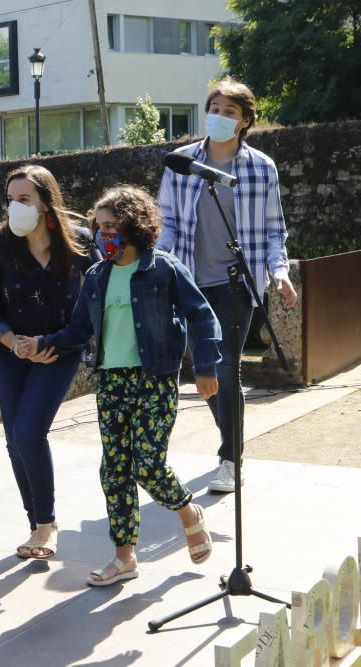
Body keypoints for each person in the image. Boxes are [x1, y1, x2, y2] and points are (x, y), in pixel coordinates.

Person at [27, 185, 220, 585]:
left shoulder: (163, 268)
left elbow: (202, 316)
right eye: (98, 227)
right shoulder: (97, 276)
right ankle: (124, 557)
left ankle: (187, 512)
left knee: (147, 464)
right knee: (114, 469)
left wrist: (206, 367)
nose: (102, 235)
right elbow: (79, 329)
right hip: (112, 382)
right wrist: (43, 345)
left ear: (134, 226)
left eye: (111, 226)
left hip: (155, 379)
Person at [157, 79, 297, 493]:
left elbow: (275, 231)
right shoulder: (180, 162)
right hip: (187, 281)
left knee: (225, 369)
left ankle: (230, 458)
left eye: (229, 111)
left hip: (237, 282)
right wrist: (157, 266)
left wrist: (280, 271)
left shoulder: (260, 168)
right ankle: (231, 443)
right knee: (204, 372)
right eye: (213, 107)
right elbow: (164, 223)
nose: (218, 116)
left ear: (245, 121)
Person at [0, 165, 99, 561]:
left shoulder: (79, 243)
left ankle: (46, 523)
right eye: (10, 200)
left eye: (24, 199)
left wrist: (50, 344)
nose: (15, 208)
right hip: (13, 352)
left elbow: (91, 306)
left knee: (29, 432)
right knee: (15, 442)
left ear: (46, 202)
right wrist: (16, 344)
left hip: (58, 351)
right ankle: (36, 523)